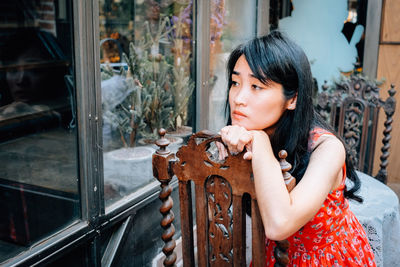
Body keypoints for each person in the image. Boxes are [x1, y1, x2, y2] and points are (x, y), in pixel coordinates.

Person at [218, 31, 376, 266]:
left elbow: (279, 224)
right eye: (235, 82)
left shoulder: (327, 148)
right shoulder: (246, 135)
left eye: (256, 86)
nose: (239, 98)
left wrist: (260, 142)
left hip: (327, 258)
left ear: (292, 99)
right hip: (274, 257)